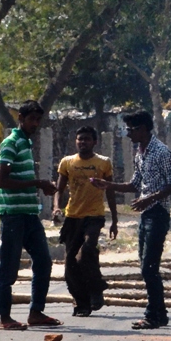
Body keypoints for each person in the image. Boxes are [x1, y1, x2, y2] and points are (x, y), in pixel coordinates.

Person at [91, 111, 171, 329]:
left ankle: (153, 314)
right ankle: (159, 313)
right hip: (146, 213)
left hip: (157, 213)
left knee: (149, 267)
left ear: (143, 129)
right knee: (146, 265)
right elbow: (134, 185)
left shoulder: (161, 151)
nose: (128, 133)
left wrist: (149, 198)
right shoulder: (139, 154)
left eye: (131, 129)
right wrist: (108, 185)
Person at [0, 100, 60, 330]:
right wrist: (37, 183)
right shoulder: (10, 143)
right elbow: (2, 181)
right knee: (9, 265)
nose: (35, 123)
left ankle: (36, 312)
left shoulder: (26, 143)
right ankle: (4, 317)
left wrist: (41, 186)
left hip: (30, 214)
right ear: (20, 118)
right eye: (32, 119)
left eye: (38, 120)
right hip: (13, 214)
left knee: (43, 261)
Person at [53, 126, 118, 317]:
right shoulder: (67, 162)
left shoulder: (103, 163)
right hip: (73, 217)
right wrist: (56, 207)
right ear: (76, 141)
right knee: (70, 265)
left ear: (94, 142)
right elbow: (59, 188)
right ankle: (82, 304)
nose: (83, 142)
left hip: (94, 216)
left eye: (87, 139)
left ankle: (96, 288)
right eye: (80, 139)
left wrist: (114, 219)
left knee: (88, 250)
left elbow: (111, 191)